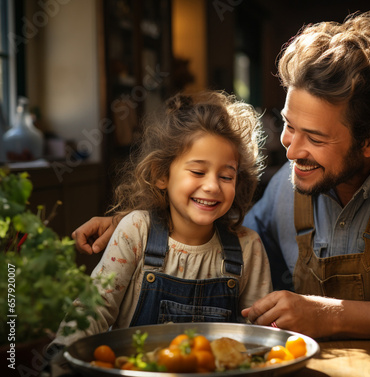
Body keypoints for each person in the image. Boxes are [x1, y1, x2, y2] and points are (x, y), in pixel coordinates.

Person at [72, 12, 370, 344]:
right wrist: (143, 221)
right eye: (289, 125)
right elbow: (220, 237)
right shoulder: (285, 187)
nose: (291, 149)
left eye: (314, 137)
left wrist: (328, 315)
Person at [53, 91, 272, 347]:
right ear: (161, 175)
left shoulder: (248, 247)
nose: (212, 186)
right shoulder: (136, 230)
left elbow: (259, 334)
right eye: (198, 171)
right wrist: (60, 358)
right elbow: (95, 308)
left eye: (226, 176)